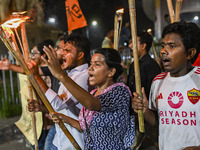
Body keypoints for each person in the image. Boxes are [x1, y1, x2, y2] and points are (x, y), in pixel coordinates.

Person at [39, 48, 135, 149]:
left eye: (97, 64)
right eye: (91, 63)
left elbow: (93, 105)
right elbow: (84, 127)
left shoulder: (120, 91)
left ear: (111, 72)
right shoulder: (93, 93)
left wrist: (61, 75)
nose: (91, 68)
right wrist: (64, 119)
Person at [132, 20, 200, 150]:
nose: (163, 51)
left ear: (190, 53)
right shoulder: (158, 81)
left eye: (172, 46)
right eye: (163, 45)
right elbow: (159, 124)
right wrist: (145, 109)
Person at [28, 33, 92, 150]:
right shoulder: (70, 74)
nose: (62, 53)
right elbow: (59, 106)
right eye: (62, 50)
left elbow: (59, 104)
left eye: (67, 50)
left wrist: (36, 76)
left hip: (75, 142)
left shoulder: (83, 76)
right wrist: (41, 108)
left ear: (80, 55)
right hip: (60, 140)